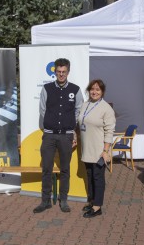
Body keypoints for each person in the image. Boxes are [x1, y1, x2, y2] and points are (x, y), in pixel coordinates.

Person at [34, 58, 84, 214]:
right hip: (49, 136)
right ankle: (45, 201)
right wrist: (52, 122)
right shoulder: (47, 88)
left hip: (66, 136)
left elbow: (78, 110)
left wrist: (71, 129)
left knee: (65, 169)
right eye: (58, 72)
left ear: (68, 72)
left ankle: (63, 200)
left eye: (64, 72)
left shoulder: (75, 89)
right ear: (54, 72)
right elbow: (43, 110)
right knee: (46, 169)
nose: (61, 74)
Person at [78, 79, 116, 218]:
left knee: (98, 178)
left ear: (102, 92)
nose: (94, 92)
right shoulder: (86, 104)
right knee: (90, 176)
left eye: (97, 90)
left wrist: (105, 151)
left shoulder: (106, 108)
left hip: (100, 150)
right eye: (92, 89)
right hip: (87, 149)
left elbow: (109, 131)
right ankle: (92, 201)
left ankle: (97, 207)